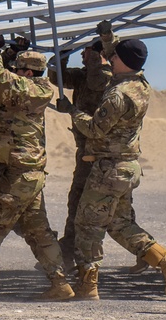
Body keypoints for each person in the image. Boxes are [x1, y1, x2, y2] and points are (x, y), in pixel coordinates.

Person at [57, 39, 166, 299]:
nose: (110, 60)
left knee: (86, 225)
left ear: (124, 61)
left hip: (109, 168)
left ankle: (87, 285)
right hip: (126, 168)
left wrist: (72, 110)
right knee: (118, 224)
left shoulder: (118, 95)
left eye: (114, 57)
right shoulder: (141, 86)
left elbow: (94, 128)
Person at [0, 36, 74, 301]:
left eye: (17, 68)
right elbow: (4, 81)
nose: (14, 72)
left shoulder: (32, 89)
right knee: (37, 231)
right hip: (25, 172)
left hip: (20, 173)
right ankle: (60, 284)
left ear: (27, 73)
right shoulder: (28, 87)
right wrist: (11, 53)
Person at [47, 21, 118, 270]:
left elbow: (98, 81)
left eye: (85, 51)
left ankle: (148, 254)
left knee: (109, 214)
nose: (82, 55)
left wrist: (97, 56)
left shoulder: (105, 78)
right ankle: (68, 251)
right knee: (77, 201)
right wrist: (61, 58)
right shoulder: (83, 76)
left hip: (100, 154)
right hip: (86, 151)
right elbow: (56, 77)